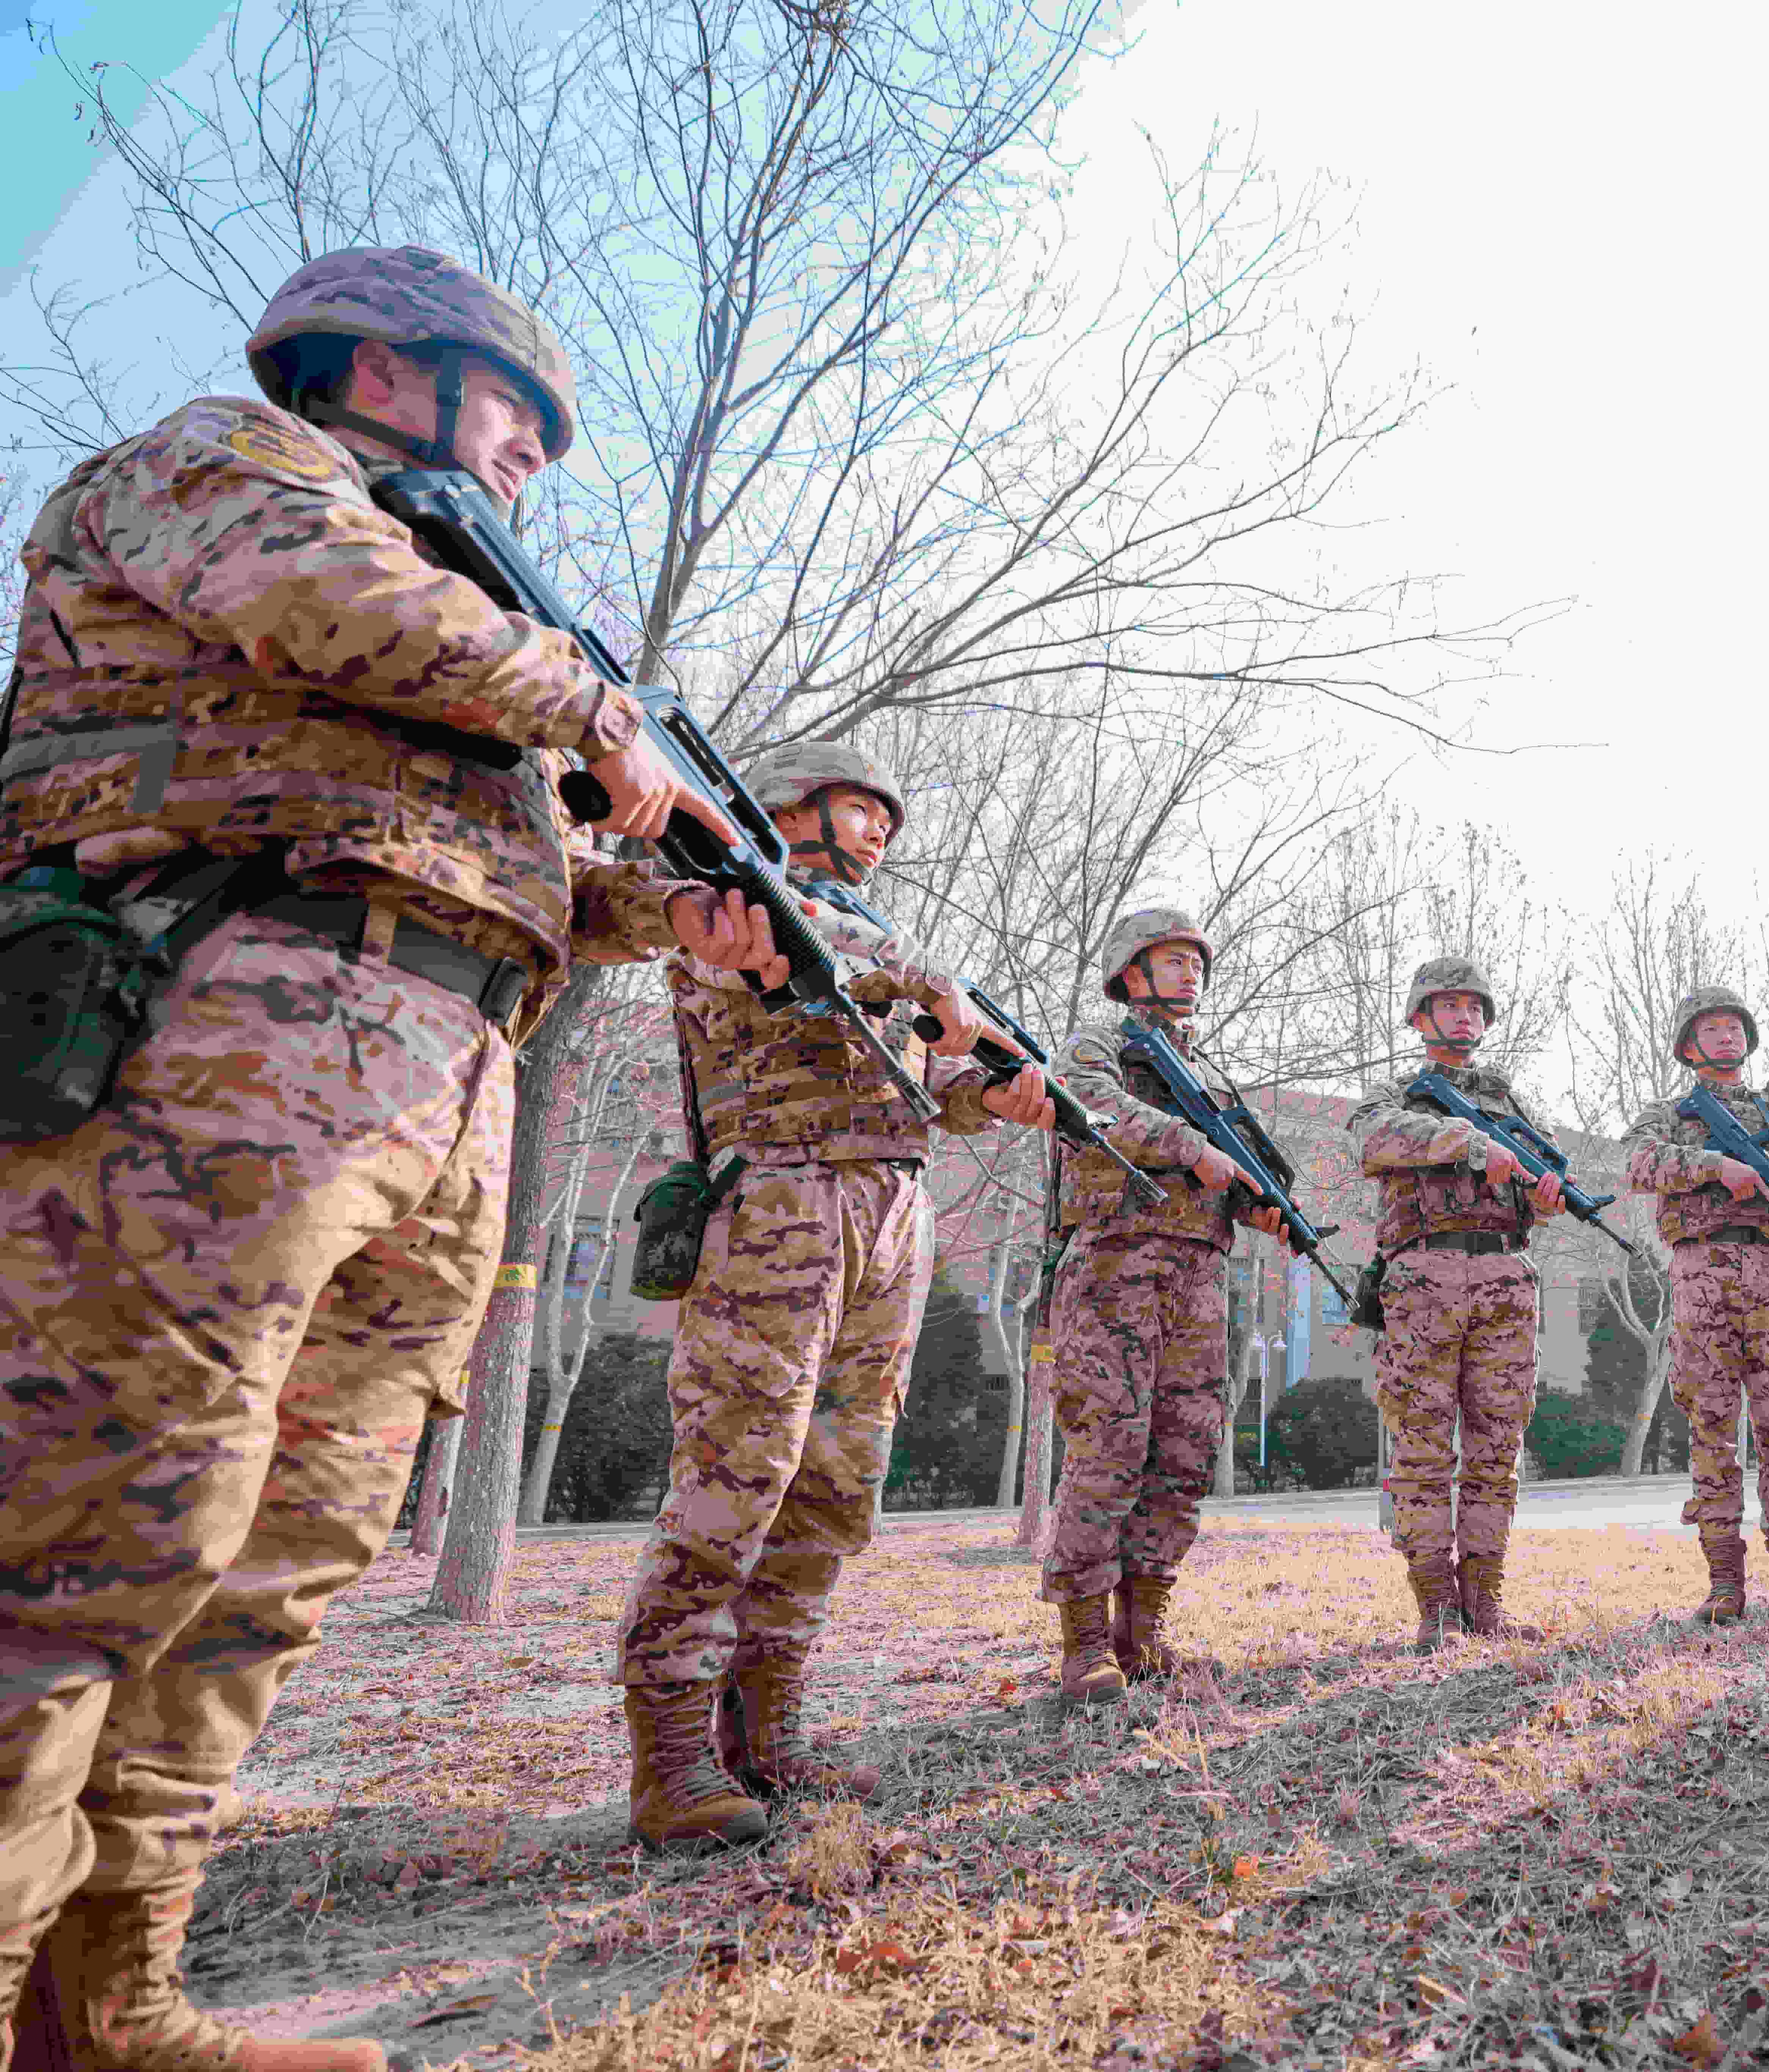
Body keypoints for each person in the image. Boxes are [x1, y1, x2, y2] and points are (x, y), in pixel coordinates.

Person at [0, 246, 796, 2071]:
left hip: (432, 1071)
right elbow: (332, 611)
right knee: (81, 1559)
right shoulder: (238, 471)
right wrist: (599, 710)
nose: (535, 455)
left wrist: (668, 911)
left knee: (273, 1570)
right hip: (212, 1026)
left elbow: (488, 857)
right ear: (375, 369)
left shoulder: (458, 608)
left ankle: (112, 2011)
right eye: (517, 412)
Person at [615, 742, 1057, 1846]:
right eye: (862, 811)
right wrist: (934, 985)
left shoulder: (886, 966)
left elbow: (933, 1079)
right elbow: (846, 960)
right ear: (790, 810)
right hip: (779, 1205)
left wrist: (1005, 1089)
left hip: (892, 1215)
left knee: (839, 1478)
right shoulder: (731, 905)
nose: (878, 835)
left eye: (885, 822)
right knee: (739, 1468)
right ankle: (670, 1756)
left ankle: (769, 1735)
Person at [1038, 904, 1290, 1704]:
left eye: (1197, 961)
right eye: (1172, 957)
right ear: (1131, 969)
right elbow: (1082, 1100)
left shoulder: (1210, 1073)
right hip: (1115, 1262)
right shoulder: (1099, 1043)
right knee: (1108, 1446)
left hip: (1200, 1277)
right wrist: (1192, 1148)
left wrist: (1266, 1202)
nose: (1191, 971)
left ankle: (1141, 1633)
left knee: (1181, 1454)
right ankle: (1083, 1645)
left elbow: (1249, 1166)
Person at [1349, 958, 1568, 1651]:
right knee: (1422, 1449)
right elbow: (1370, 1140)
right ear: (1421, 1018)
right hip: (1422, 1277)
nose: (1465, 1016)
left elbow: (1549, 1170)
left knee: (1497, 1449)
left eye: (1476, 1007)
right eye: (1449, 1005)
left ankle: (1486, 1601)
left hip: (1506, 1275)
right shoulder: (1398, 1094)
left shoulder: (1511, 1100)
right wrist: (1468, 1141)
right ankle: (1436, 1608)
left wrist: (1547, 1191)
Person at [1623, 984, 1769, 1622]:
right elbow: (1636, 1163)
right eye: (1711, 1029)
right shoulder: (1669, 1114)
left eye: (1735, 1027)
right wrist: (1712, 1165)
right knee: (1712, 1429)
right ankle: (1725, 1586)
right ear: (1688, 1045)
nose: (1727, 1036)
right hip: (1701, 1271)